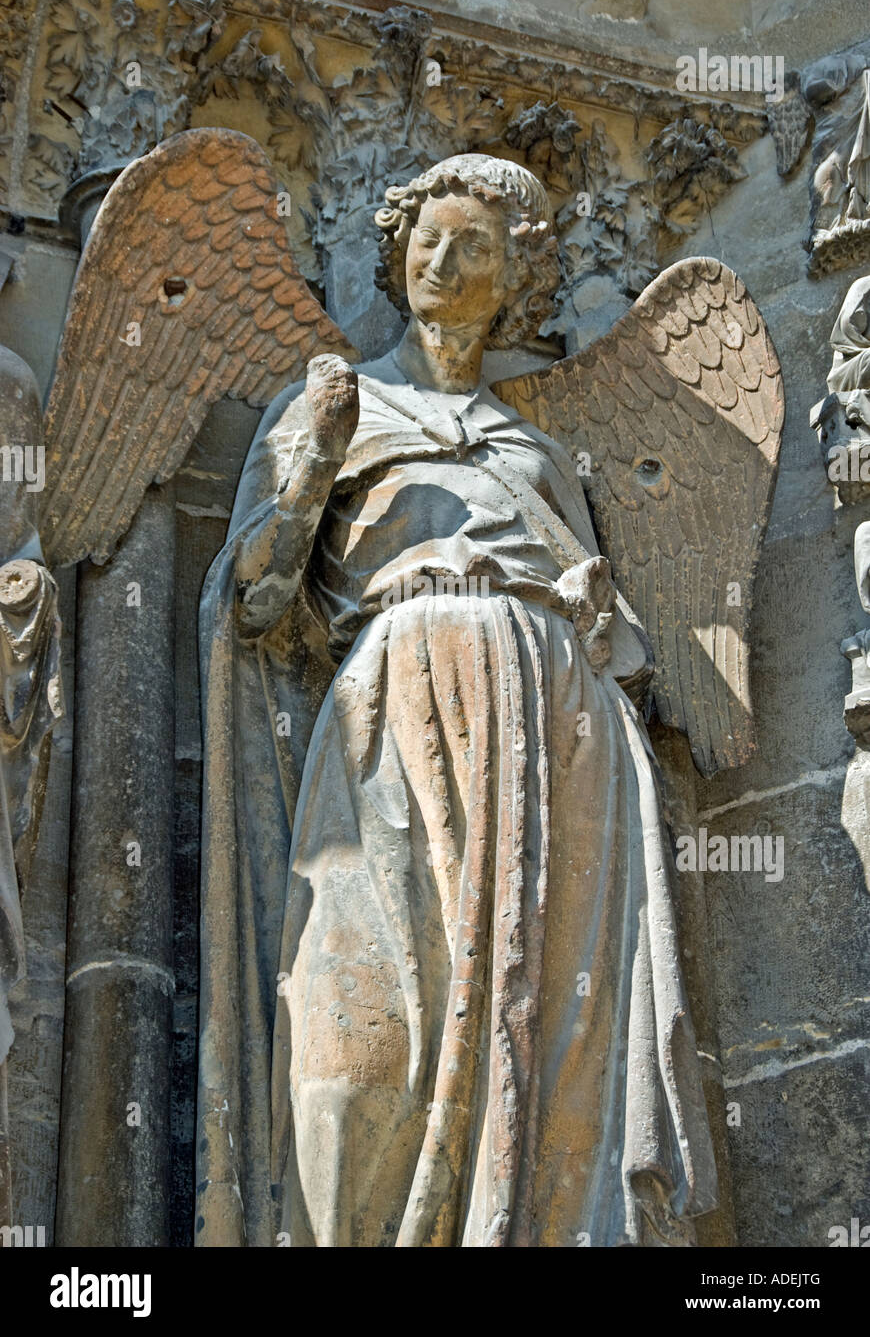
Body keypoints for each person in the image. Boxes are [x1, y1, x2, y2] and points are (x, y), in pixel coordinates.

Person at [196, 154, 716, 1248]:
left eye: (477, 244)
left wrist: (606, 624)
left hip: (552, 730)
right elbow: (253, 607)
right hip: (387, 710)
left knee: (550, 1026)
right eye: (429, 235)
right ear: (396, 252)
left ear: (512, 279)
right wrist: (307, 477)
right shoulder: (334, 400)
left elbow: (630, 647)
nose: (445, 257)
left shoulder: (534, 446)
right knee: (348, 1046)